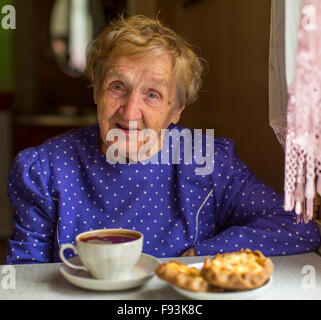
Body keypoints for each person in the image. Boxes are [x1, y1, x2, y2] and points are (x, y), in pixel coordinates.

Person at [6, 15, 320, 264]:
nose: (130, 111)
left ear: (176, 110)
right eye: (117, 86)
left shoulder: (208, 163)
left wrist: (203, 254)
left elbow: (298, 225)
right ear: (96, 90)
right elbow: (24, 279)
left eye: (152, 94)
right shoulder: (45, 169)